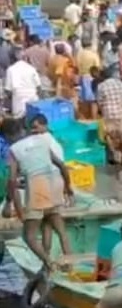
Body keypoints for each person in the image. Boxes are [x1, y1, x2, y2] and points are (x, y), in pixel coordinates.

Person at [4, 116, 74, 271]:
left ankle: (49, 264)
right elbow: (62, 166)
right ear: (23, 130)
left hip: (38, 188)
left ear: (7, 136)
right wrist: (68, 189)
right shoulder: (41, 141)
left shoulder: (13, 150)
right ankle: (70, 266)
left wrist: (10, 203)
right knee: (57, 227)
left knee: (29, 236)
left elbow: (12, 181)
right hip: (54, 183)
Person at [96, 68, 122, 174]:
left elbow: (100, 102)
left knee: (109, 135)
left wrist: (102, 111)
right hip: (120, 113)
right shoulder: (120, 84)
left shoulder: (101, 86)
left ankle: (114, 156)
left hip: (108, 113)